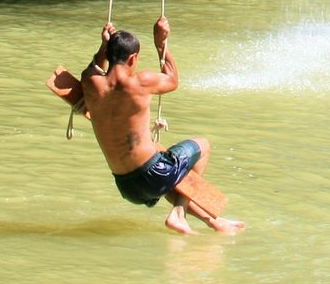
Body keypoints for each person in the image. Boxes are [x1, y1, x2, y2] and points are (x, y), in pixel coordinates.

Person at [49, 15, 244, 235]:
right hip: (153, 174)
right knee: (203, 146)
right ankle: (178, 213)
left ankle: (213, 222)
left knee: (170, 181)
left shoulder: (89, 81)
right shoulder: (140, 82)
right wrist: (161, 45)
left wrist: (104, 45)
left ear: (109, 54)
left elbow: (95, 66)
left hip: (126, 187)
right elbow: (172, 80)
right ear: (132, 59)